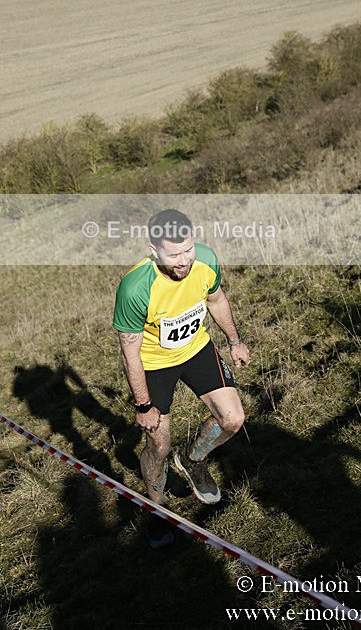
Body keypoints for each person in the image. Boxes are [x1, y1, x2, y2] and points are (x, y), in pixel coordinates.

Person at [113, 208, 249, 548]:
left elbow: (216, 300)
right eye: (173, 254)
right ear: (153, 250)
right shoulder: (135, 288)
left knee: (233, 419)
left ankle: (192, 460)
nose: (184, 260)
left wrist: (234, 341)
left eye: (187, 249)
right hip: (154, 363)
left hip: (197, 348)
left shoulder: (205, 260)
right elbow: (130, 352)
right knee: (158, 444)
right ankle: (157, 510)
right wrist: (143, 404)